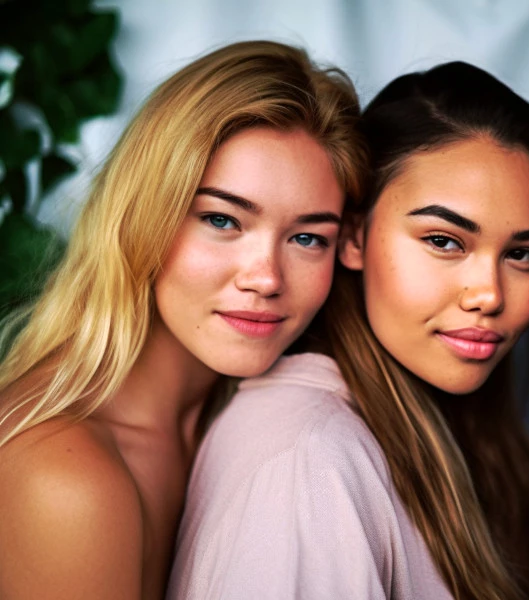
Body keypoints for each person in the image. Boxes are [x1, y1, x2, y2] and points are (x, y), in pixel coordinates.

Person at [0, 41, 366, 600]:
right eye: (222, 219)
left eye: (307, 237)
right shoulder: (66, 476)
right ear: (142, 213)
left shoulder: (262, 424)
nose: (266, 278)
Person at [169, 61, 529, 600]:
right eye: (443, 240)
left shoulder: (401, 433)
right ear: (353, 237)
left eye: (522, 253)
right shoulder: (307, 463)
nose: (488, 294)